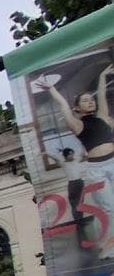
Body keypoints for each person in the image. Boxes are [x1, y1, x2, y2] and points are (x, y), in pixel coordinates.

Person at [38, 66, 114, 258]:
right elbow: (63, 104)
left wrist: (103, 76)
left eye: (91, 100)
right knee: (109, 208)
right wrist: (51, 89)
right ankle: (109, 246)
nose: (90, 102)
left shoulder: (103, 118)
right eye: (85, 101)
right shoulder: (78, 125)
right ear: (78, 107)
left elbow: (102, 96)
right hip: (97, 169)